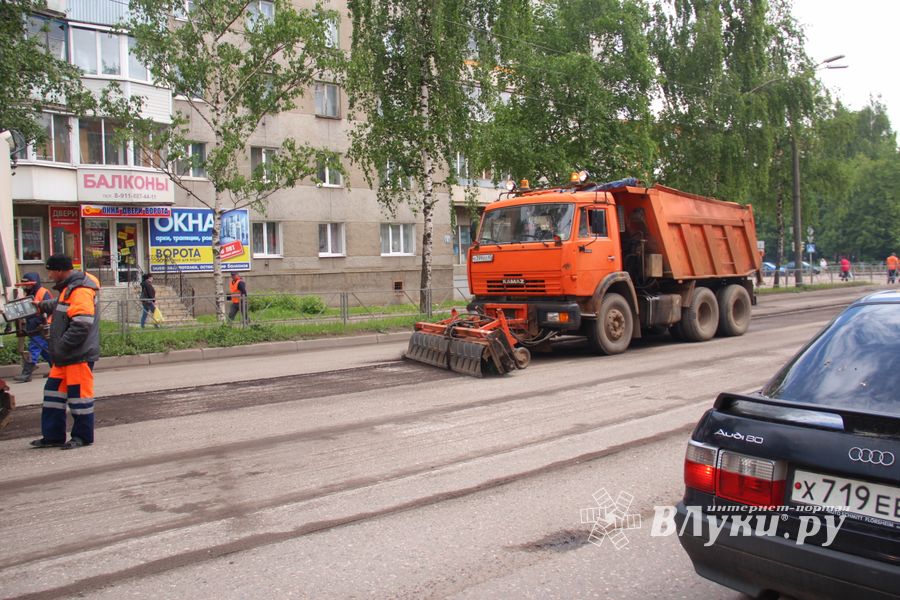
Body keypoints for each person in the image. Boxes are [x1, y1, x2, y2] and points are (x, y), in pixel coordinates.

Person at [30, 254, 100, 450]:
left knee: (79, 398)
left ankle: (82, 437)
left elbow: (82, 325)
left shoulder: (81, 291)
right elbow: (59, 305)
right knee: (53, 394)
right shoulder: (69, 289)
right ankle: (52, 436)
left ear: (60, 270)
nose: (49, 275)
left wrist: (60, 346)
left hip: (77, 355)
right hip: (65, 356)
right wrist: (40, 306)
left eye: (51, 271)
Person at [13, 273, 52, 383]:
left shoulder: (43, 293)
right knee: (45, 351)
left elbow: (51, 310)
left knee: (34, 348)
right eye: (25, 285)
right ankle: (56, 370)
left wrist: (46, 324)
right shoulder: (28, 293)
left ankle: (26, 374)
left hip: (41, 325)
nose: (26, 287)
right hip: (33, 325)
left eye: (28, 285)